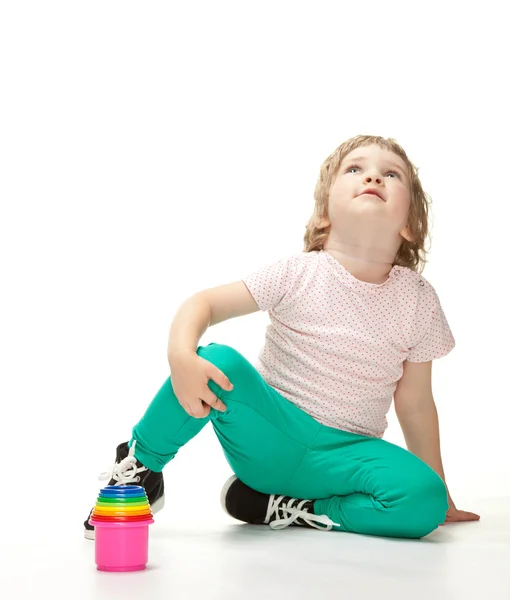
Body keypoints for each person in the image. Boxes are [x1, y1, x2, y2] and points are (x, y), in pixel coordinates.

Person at [84, 134, 480, 541]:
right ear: (324, 214)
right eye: (356, 169)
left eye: (390, 174)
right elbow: (204, 303)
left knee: (423, 499)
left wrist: (443, 492)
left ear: (412, 224)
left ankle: (298, 510)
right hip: (269, 435)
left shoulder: (418, 299)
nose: (374, 178)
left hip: (346, 457)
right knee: (217, 361)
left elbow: (414, 403)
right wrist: (181, 354)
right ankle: (142, 470)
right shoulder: (298, 272)